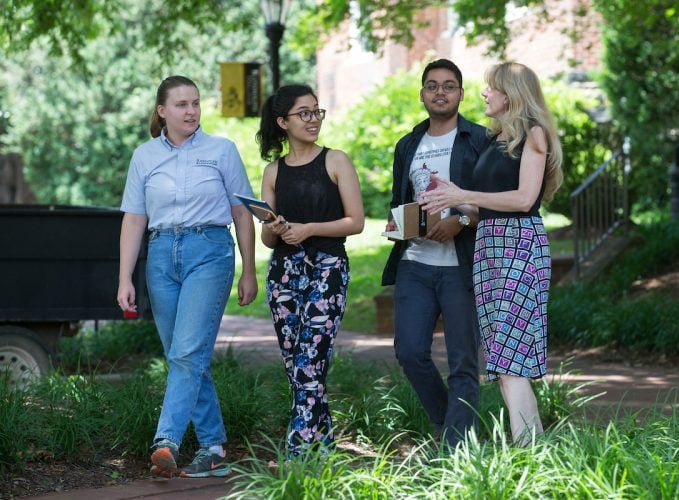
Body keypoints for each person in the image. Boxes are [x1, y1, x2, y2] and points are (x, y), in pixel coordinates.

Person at [117, 75, 259, 478]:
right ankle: (213, 446)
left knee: (185, 353)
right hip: (161, 256)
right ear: (162, 111)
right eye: (181, 104)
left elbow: (241, 213)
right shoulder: (144, 156)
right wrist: (125, 277)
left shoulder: (222, 150)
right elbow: (134, 219)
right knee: (186, 355)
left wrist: (249, 269)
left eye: (196, 103)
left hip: (209, 252)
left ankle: (166, 442)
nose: (192, 111)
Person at [420, 62, 563, 446]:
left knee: (511, 358)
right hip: (490, 245)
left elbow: (523, 200)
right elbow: (490, 208)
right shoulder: (498, 140)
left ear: (510, 94)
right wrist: (449, 195)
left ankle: (527, 454)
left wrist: (463, 195)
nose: (484, 93)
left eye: (490, 87)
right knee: (502, 359)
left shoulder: (534, 135)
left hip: (519, 246)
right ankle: (533, 450)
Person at [381, 59, 491, 447]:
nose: (440, 92)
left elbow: (495, 206)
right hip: (415, 263)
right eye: (432, 86)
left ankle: (457, 447)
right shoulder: (408, 144)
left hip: (463, 265)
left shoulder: (480, 140)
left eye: (449, 85)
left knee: (463, 360)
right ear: (422, 93)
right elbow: (401, 200)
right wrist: (399, 225)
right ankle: (450, 422)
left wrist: (459, 221)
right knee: (410, 352)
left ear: (460, 93)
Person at [255, 84, 364, 458]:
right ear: (283, 121)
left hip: (328, 269)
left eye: (317, 111)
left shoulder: (336, 161)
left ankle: (298, 450)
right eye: (305, 113)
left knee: (309, 362)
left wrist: (309, 229)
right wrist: (273, 228)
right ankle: (324, 444)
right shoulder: (273, 171)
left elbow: (357, 222)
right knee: (296, 366)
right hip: (284, 273)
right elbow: (269, 240)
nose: (313, 119)